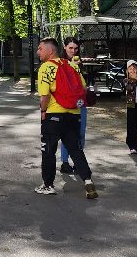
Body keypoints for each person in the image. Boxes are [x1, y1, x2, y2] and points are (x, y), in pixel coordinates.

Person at [35, 37, 95, 198]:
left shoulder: (46, 68)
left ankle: (48, 185)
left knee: (48, 150)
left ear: (50, 50)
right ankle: (88, 182)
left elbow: (44, 95)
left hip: (54, 115)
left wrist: (43, 111)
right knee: (76, 150)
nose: (38, 51)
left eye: (40, 48)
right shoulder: (71, 65)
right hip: (73, 114)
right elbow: (82, 87)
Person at [58, 38, 88, 174]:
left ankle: (78, 161)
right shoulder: (60, 63)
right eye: (70, 48)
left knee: (81, 133)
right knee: (68, 133)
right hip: (66, 104)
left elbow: (82, 84)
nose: (73, 51)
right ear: (65, 47)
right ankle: (65, 162)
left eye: (76, 49)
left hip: (80, 102)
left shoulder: (79, 63)